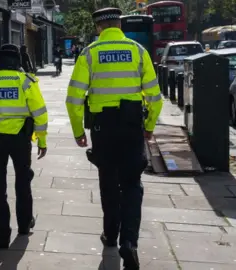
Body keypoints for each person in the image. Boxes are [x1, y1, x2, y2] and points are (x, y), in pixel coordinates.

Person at [65, 7, 163, 270]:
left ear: (98, 27)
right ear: (119, 24)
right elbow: (155, 97)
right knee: (132, 184)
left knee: (108, 181)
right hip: (132, 126)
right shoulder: (138, 52)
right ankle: (129, 243)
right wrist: (149, 126)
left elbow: (73, 99)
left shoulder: (89, 54)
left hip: (102, 129)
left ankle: (110, 235)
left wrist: (78, 132)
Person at [0, 44, 49, 249]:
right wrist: (41, 139)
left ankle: (2, 234)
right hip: (21, 140)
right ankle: (24, 226)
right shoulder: (26, 82)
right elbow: (39, 112)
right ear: (18, 62)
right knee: (23, 182)